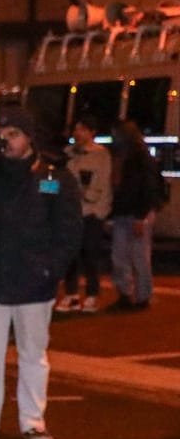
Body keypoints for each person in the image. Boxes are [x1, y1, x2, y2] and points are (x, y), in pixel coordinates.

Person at [0, 106, 82, 439]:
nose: (6, 141)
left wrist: (52, 268)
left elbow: (68, 229)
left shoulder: (52, 178)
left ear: (29, 138)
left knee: (33, 354)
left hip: (35, 279)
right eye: (2, 134)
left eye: (13, 135)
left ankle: (33, 420)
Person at [55, 113, 112, 313]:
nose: (78, 133)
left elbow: (100, 187)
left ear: (92, 132)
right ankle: (71, 294)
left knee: (90, 254)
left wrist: (84, 192)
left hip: (91, 213)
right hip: (71, 213)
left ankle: (92, 294)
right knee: (70, 254)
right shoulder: (68, 154)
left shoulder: (101, 155)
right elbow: (56, 181)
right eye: (76, 129)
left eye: (83, 129)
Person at [106, 120, 162, 311]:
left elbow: (147, 188)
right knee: (119, 256)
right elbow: (116, 189)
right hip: (123, 212)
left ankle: (142, 296)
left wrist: (141, 216)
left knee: (139, 256)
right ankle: (125, 294)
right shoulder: (121, 156)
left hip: (137, 212)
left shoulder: (140, 158)